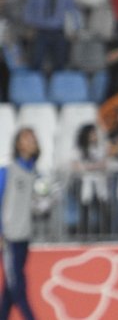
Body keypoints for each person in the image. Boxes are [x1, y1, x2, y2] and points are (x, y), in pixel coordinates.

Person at [0, 128, 40, 319]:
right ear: (18, 144)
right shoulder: (7, 171)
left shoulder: (34, 173)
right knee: (17, 286)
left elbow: (36, 206)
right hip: (9, 237)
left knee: (10, 287)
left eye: (34, 139)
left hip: (24, 235)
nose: (32, 142)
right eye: (27, 139)